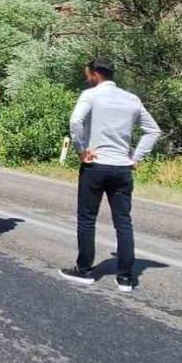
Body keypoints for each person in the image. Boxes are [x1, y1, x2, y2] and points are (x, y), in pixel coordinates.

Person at [59, 58, 161, 293]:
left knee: (87, 218)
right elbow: (153, 130)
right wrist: (136, 157)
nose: (87, 78)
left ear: (95, 74)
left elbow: (75, 121)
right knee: (123, 221)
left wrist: (81, 150)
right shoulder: (132, 99)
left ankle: (84, 270)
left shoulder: (91, 95)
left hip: (95, 165)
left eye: (88, 74)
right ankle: (125, 277)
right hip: (122, 168)